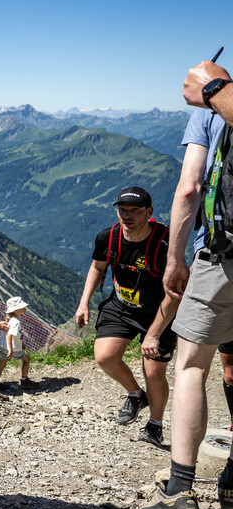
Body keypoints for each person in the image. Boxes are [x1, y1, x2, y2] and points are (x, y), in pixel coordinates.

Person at [135, 57, 233, 509]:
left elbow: (189, 188)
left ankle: (179, 492)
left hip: (223, 259)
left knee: (192, 365)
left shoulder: (209, 112)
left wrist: (175, 260)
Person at [74, 186, 178, 448]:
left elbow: (174, 294)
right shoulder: (107, 237)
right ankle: (135, 394)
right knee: (105, 356)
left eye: (135, 210)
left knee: (153, 371)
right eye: (122, 209)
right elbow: (97, 267)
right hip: (122, 304)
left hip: (159, 312)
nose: (127, 215)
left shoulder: (165, 244)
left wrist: (154, 333)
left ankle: (155, 425)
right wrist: (83, 303)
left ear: (149, 212)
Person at [0, 296, 37, 392]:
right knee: (27, 360)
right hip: (13, 348)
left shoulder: (8, 320)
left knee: (1, 364)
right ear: (16, 310)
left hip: (1, 346)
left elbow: (14, 335)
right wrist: (11, 350)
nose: (25, 308)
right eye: (22, 307)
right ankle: (24, 380)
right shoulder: (16, 322)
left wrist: (22, 343)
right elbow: (9, 335)